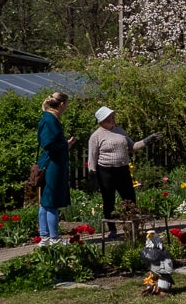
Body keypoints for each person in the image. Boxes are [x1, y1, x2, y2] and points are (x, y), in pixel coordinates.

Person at [87, 106, 152, 239]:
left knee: (129, 199)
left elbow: (132, 146)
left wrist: (146, 141)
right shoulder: (96, 136)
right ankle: (112, 229)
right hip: (106, 171)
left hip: (122, 169)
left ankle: (132, 226)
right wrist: (92, 174)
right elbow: (92, 156)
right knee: (109, 200)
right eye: (108, 118)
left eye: (112, 117)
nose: (112, 120)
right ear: (101, 121)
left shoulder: (120, 131)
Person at [36, 91, 76, 246]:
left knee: (45, 201)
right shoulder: (50, 120)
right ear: (61, 104)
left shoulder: (48, 118)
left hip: (51, 162)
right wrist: (65, 145)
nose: (67, 107)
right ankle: (53, 238)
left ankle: (45, 237)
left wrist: (66, 145)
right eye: (66, 104)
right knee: (52, 201)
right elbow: (48, 144)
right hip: (52, 164)